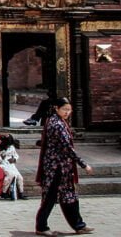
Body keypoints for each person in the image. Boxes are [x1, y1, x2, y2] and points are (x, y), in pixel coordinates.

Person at [35, 97, 94, 236]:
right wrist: (83, 164)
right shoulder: (57, 124)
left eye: (69, 110)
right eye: (64, 109)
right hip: (55, 168)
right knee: (50, 197)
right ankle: (41, 227)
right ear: (57, 109)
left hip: (63, 167)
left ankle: (79, 225)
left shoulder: (58, 121)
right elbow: (67, 148)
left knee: (70, 196)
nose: (67, 112)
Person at [0, 134, 26, 200]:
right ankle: (4, 192)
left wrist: (14, 159)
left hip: (11, 164)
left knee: (20, 177)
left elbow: (16, 155)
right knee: (10, 175)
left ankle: (21, 193)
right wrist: (1, 157)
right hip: (3, 164)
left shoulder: (12, 147)